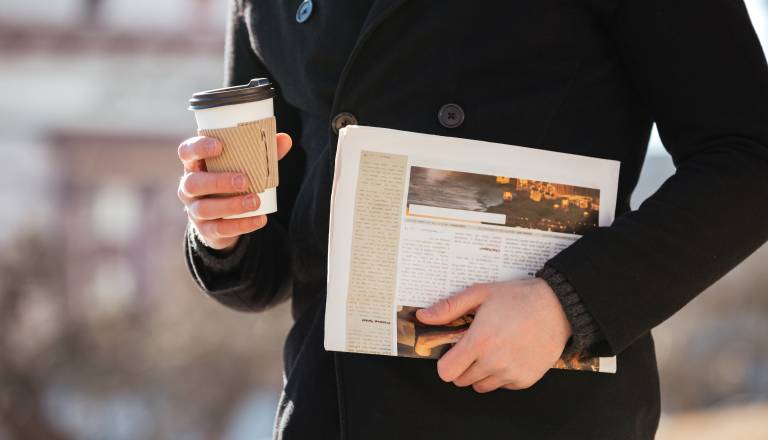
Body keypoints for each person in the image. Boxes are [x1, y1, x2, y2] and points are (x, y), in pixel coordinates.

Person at [176, 0, 768, 438]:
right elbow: (274, 258)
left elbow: (749, 158)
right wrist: (221, 231)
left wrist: (568, 303)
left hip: (541, 412)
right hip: (327, 410)